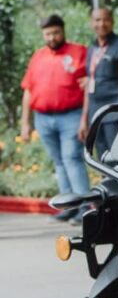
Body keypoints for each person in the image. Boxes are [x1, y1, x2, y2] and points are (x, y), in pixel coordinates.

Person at [19, 15, 89, 221]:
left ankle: (85, 207)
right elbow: (28, 91)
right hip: (43, 118)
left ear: (63, 31)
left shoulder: (78, 52)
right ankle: (68, 206)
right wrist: (25, 122)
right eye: (48, 34)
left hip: (71, 115)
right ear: (43, 34)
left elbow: (87, 88)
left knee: (72, 158)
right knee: (59, 161)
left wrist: (85, 118)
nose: (52, 37)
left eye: (56, 32)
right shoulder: (38, 56)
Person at [80, 8, 118, 156]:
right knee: (103, 157)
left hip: (115, 113)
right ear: (91, 23)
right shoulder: (92, 48)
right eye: (97, 20)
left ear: (112, 22)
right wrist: (84, 118)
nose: (101, 24)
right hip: (96, 114)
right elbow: (89, 83)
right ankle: (108, 180)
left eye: (106, 19)